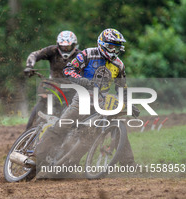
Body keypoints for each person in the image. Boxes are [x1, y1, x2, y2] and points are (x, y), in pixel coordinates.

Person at [36, 28, 139, 166]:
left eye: (117, 48)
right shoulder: (88, 54)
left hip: (102, 103)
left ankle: (129, 164)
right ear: (102, 44)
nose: (114, 51)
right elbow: (68, 69)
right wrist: (81, 79)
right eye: (111, 47)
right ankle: (36, 156)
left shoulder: (119, 65)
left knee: (117, 125)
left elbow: (122, 88)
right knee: (62, 126)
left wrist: (128, 104)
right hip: (82, 100)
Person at [23, 30, 80, 129]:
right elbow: (35, 54)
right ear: (58, 45)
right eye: (63, 46)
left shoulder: (80, 55)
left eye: (68, 47)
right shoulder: (52, 51)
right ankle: (31, 128)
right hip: (54, 84)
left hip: (72, 86)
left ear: (74, 45)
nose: (65, 49)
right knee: (44, 91)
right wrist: (29, 66)